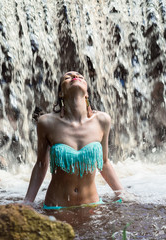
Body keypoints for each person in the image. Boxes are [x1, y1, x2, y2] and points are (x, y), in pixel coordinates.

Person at [24, 71, 124, 209]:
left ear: (87, 93)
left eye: (80, 76)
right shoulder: (46, 122)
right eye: (67, 77)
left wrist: (121, 194)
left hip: (92, 205)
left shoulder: (102, 120)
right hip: (56, 206)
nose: (75, 77)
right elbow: (41, 164)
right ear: (60, 93)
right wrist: (27, 202)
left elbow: (104, 163)